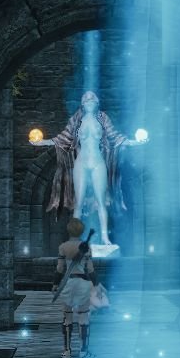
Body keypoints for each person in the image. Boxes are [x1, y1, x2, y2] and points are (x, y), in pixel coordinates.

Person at [31, 90, 147, 247]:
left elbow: (114, 137)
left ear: (97, 102)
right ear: (82, 103)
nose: (89, 98)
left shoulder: (103, 118)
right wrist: (42, 142)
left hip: (98, 162)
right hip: (81, 163)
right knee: (78, 203)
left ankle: (105, 238)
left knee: (101, 202)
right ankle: (74, 239)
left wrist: (134, 142)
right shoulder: (76, 119)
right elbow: (63, 138)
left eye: (92, 97)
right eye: (86, 97)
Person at [56, 218, 95, 358]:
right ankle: (83, 351)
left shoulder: (63, 247)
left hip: (68, 283)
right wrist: (96, 284)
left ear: (69, 230)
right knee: (83, 316)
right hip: (83, 283)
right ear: (81, 231)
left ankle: (67, 351)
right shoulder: (86, 247)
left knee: (67, 317)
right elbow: (90, 269)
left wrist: (55, 284)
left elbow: (60, 269)